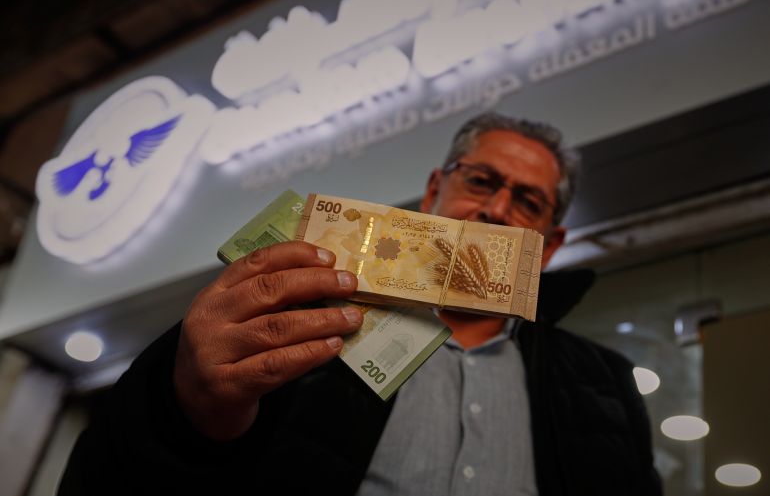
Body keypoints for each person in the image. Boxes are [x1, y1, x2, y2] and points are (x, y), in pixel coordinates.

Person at [59, 113, 661, 496]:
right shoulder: (300, 320)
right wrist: (181, 404)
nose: (496, 211)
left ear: (549, 244)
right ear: (434, 190)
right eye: (480, 181)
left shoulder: (604, 383)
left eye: (528, 202)